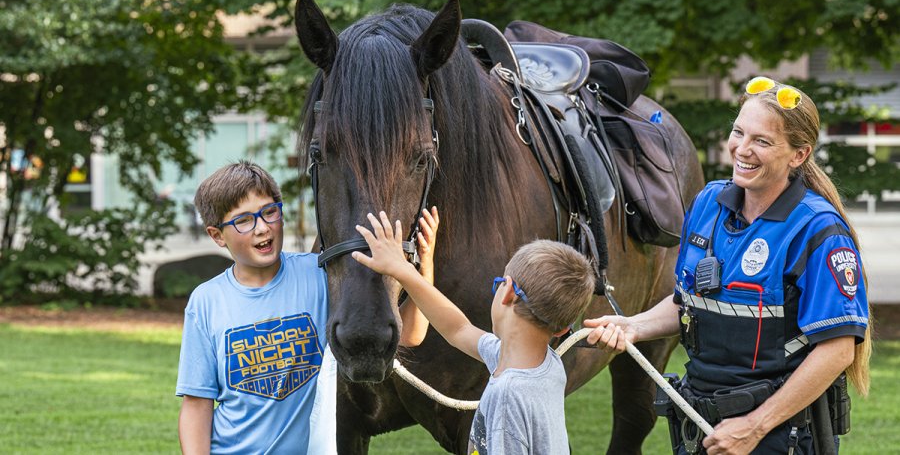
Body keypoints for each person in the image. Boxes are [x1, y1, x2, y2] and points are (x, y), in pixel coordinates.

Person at [585, 76, 871, 454]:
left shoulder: (817, 229)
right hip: (703, 430)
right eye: (739, 132)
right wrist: (632, 325)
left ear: (798, 155)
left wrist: (754, 427)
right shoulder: (708, 204)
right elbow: (686, 302)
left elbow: (837, 350)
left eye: (762, 141)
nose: (743, 149)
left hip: (779, 438)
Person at [174, 161, 438, 454]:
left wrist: (423, 268)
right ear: (217, 235)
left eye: (269, 212)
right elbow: (197, 404)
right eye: (244, 220)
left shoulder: (318, 278)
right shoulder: (206, 302)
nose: (262, 227)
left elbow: (411, 335)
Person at [353, 211, 596, 455]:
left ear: (508, 291)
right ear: (563, 328)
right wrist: (408, 270)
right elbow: (458, 329)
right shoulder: (541, 364)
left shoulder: (508, 396)